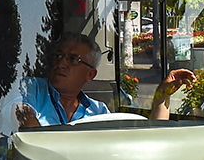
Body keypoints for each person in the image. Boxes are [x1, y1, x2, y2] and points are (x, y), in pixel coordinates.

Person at [14, 31, 194, 128]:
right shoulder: (32, 90)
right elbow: (19, 112)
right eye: (59, 56)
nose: (61, 63)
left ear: (90, 75)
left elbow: (150, 139)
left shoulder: (98, 112)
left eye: (73, 59)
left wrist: (162, 95)